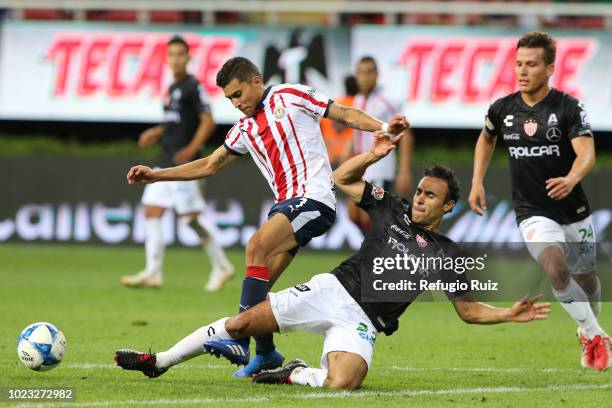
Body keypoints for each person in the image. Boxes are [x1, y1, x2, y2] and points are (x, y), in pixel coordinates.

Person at [114, 132, 551, 389]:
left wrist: (509, 314)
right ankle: (161, 361)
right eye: (419, 191)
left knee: (343, 383)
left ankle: (294, 374)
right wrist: (375, 154)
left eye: (430, 195)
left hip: (363, 322)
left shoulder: (448, 254)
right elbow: (342, 178)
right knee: (242, 324)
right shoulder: (390, 207)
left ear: (448, 206)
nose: (419, 199)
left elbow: (469, 311)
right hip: (331, 290)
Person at [124, 56, 409, 377]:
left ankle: (241, 345)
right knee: (259, 303)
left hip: (314, 199)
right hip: (286, 207)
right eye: (229, 98)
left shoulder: (290, 95)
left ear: (256, 81)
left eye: (238, 93)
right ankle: (266, 354)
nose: (235, 103)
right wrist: (156, 175)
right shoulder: (243, 128)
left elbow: (342, 113)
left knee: (255, 246)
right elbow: (209, 165)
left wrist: (383, 127)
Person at [468, 31, 610, 371]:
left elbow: (587, 153)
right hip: (532, 213)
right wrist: (476, 181)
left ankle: (585, 327)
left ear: (549, 68)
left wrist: (571, 178)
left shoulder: (568, 107)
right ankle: (595, 335)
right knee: (555, 267)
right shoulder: (502, 109)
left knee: (587, 278)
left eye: (531, 64)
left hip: (573, 210)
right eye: (518, 64)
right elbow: (486, 139)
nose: (522, 71)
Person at [120, 35, 234, 292]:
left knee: (190, 220)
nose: (176, 59)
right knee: (152, 210)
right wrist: (158, 132)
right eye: (171, 54)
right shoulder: (172, 88)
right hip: (163, 163)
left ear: (188, 57)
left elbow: (208, 120)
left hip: (186, 165)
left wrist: (192, 149)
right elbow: (177, 122)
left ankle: (222, 265)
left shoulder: (194, 86)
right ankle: (152, 272)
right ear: (166, 58)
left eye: (180, 54)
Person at [348, 56, 414, 232]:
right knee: (353, 214)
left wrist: (404, 170)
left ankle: (377, 252)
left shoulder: (386, 99)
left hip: (380, 167)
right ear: (356, 75)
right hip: (361, 166)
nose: (365, 77)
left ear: (377, 75)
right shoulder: (358, 100)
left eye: (369, 72)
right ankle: (377, 247)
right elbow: (357, 133)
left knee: (369, 216)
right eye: (361, 72)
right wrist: (348, 154)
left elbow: (406, 134)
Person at [320, 75, 358, 168]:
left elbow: (321, 128)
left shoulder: (335, 103)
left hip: (330, 158)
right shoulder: (359, 105)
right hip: (349, 160)